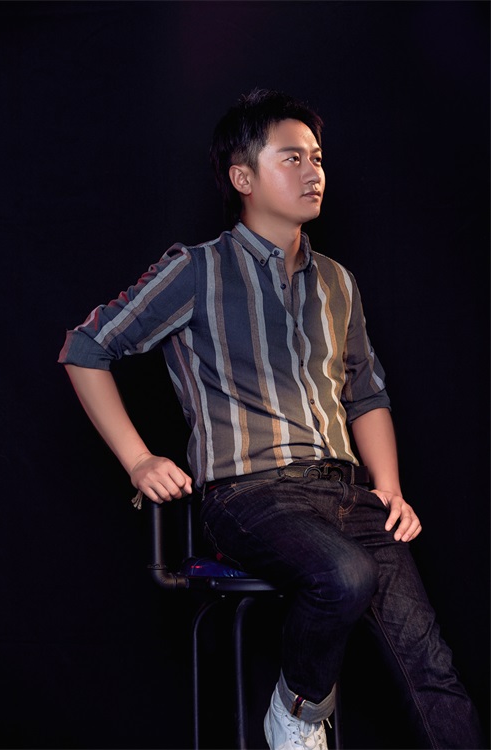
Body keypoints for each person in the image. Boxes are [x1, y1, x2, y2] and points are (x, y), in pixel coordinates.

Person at [59, 89, 484, 750]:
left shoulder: (338, 282)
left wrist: (390, 488)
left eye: (317, 157)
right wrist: (139, 460)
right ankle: (299, 711)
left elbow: (365, 393)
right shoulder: (196, 269)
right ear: (244, 178)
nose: (314, 171)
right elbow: (85, 348)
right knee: (344, 576)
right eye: (292, 158)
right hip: (250, 496)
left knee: (434, 671)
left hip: (348, 495)